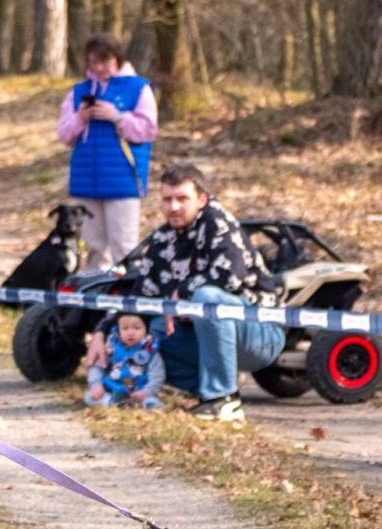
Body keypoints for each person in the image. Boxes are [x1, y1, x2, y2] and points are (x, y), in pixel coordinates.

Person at [84, 164, 283, 424]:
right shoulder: (163, 239)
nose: (174, 206)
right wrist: (102, 331)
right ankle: (205, 387)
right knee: (149, 331)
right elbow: (139, 295)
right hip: (204, 335)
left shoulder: (217, 222)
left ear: (201, 199)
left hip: (260, 333)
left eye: (182, 199)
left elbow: (231, 276)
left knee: (207, 300)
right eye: (167, 199)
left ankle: (222, 400)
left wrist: (180, 295)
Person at [55, 33, 159, 269]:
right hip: (86, 181)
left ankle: (125, 301)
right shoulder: (78, 92)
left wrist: (117, 117)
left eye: (104, 61)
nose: (99, 67)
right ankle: (92, 301)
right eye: (93, 62)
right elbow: (64, 135)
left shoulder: (139, 89)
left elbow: (147, 131)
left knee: (124, 247)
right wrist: (81, 118)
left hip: (123, 181)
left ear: (118, 58)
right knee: (93, 247)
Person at [84, 312, 165, 410]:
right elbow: (97, 367)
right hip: (113, 388)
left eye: (137, 328)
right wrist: (95, 384)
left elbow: (157, 376)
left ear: (146, 330)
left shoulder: (150, 351)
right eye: (125, 328)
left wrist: (146, 392)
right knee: (89, 397)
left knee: (151, 400)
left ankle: (147, 405)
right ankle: (112, 402)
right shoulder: (111, 347)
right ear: (118, 330)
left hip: (139, 390)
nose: (130, 333)